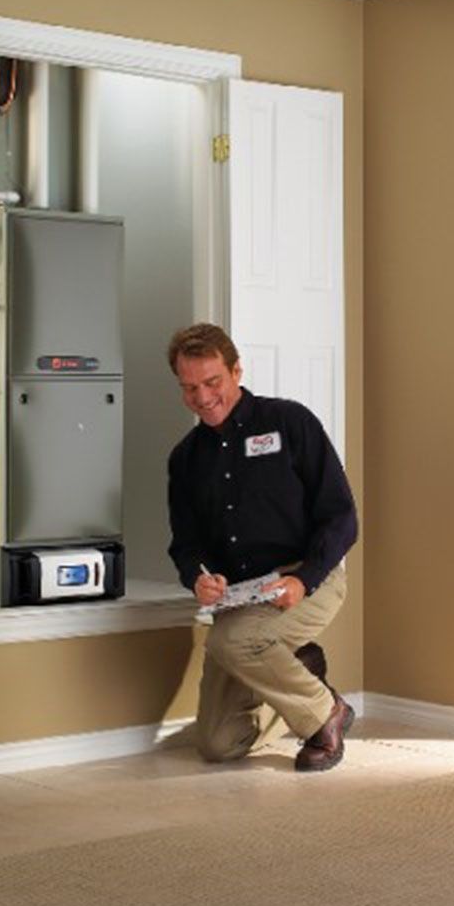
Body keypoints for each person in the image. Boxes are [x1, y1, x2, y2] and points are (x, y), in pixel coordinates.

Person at [166, 323, 358, 772]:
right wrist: (198, 577)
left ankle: (327, 716)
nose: (203, 397)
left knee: (233, 640)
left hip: (312, 576)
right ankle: (306, 680)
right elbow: (185, 544)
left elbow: (342, 516)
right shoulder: (185, 459)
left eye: (212, 382)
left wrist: (304, 578)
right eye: (189, 387)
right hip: (243, 597)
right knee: (218, 744)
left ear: (236, 371)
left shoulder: (291, 422)